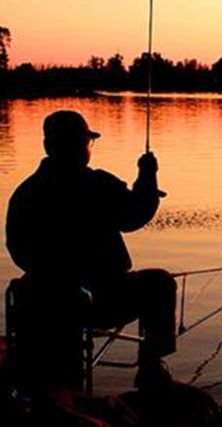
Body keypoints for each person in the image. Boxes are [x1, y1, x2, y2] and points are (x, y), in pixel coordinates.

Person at [5, 110, 176, 393]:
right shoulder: (97, 185)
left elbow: (17, 250)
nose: (86, 148)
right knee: (160, 284)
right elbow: (135, 214)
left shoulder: (25, 192)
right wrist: (148, 174)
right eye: (84, 141)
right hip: (97, 300)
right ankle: (150, 369)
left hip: (41, 303)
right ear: (81, 148)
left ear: (47, 147)